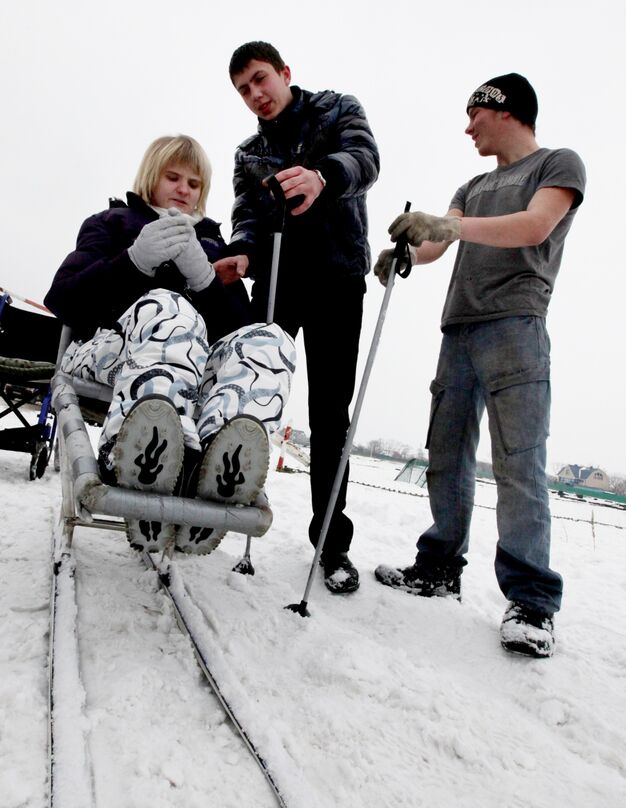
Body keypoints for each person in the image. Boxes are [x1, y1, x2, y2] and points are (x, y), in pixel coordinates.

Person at [374, 73, 585, 659]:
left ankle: (532, 603)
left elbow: (535, 226)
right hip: (458, 331)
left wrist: (452, 226)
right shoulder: (472, 182)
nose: (468, 127)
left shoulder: (557, 165)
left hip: (516, 328)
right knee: (446, 455)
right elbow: (440, 243)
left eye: (475, 114)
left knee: (518, 463)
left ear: (505, 110)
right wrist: (408, 251)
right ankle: (439, 566)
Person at [45, 134, 295, 555]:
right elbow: (66, 299)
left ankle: (211, 464)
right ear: (151, 177)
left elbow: (237, 330)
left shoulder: (213, 242)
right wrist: (133, 262)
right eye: (173, 177)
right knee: (169, 308)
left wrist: (208, 280)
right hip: (111, 347)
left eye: (194, 184)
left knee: (270, 340)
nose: (183, 189)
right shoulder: (113, 223)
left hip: (193, 364)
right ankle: (132, 455)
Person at [220, 41, 380, 595]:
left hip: (338, 280)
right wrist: (241, 250)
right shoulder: (247, 153)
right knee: (251, 394)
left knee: (331, 414)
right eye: (243, 90)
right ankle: (226, 511)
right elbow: (244, 215)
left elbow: (365, 159)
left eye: (261, 79)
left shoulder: (337, 110)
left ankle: (332, 544)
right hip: (278, 280)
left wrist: (321, 177)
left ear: (285, 73)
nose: (255, 95)